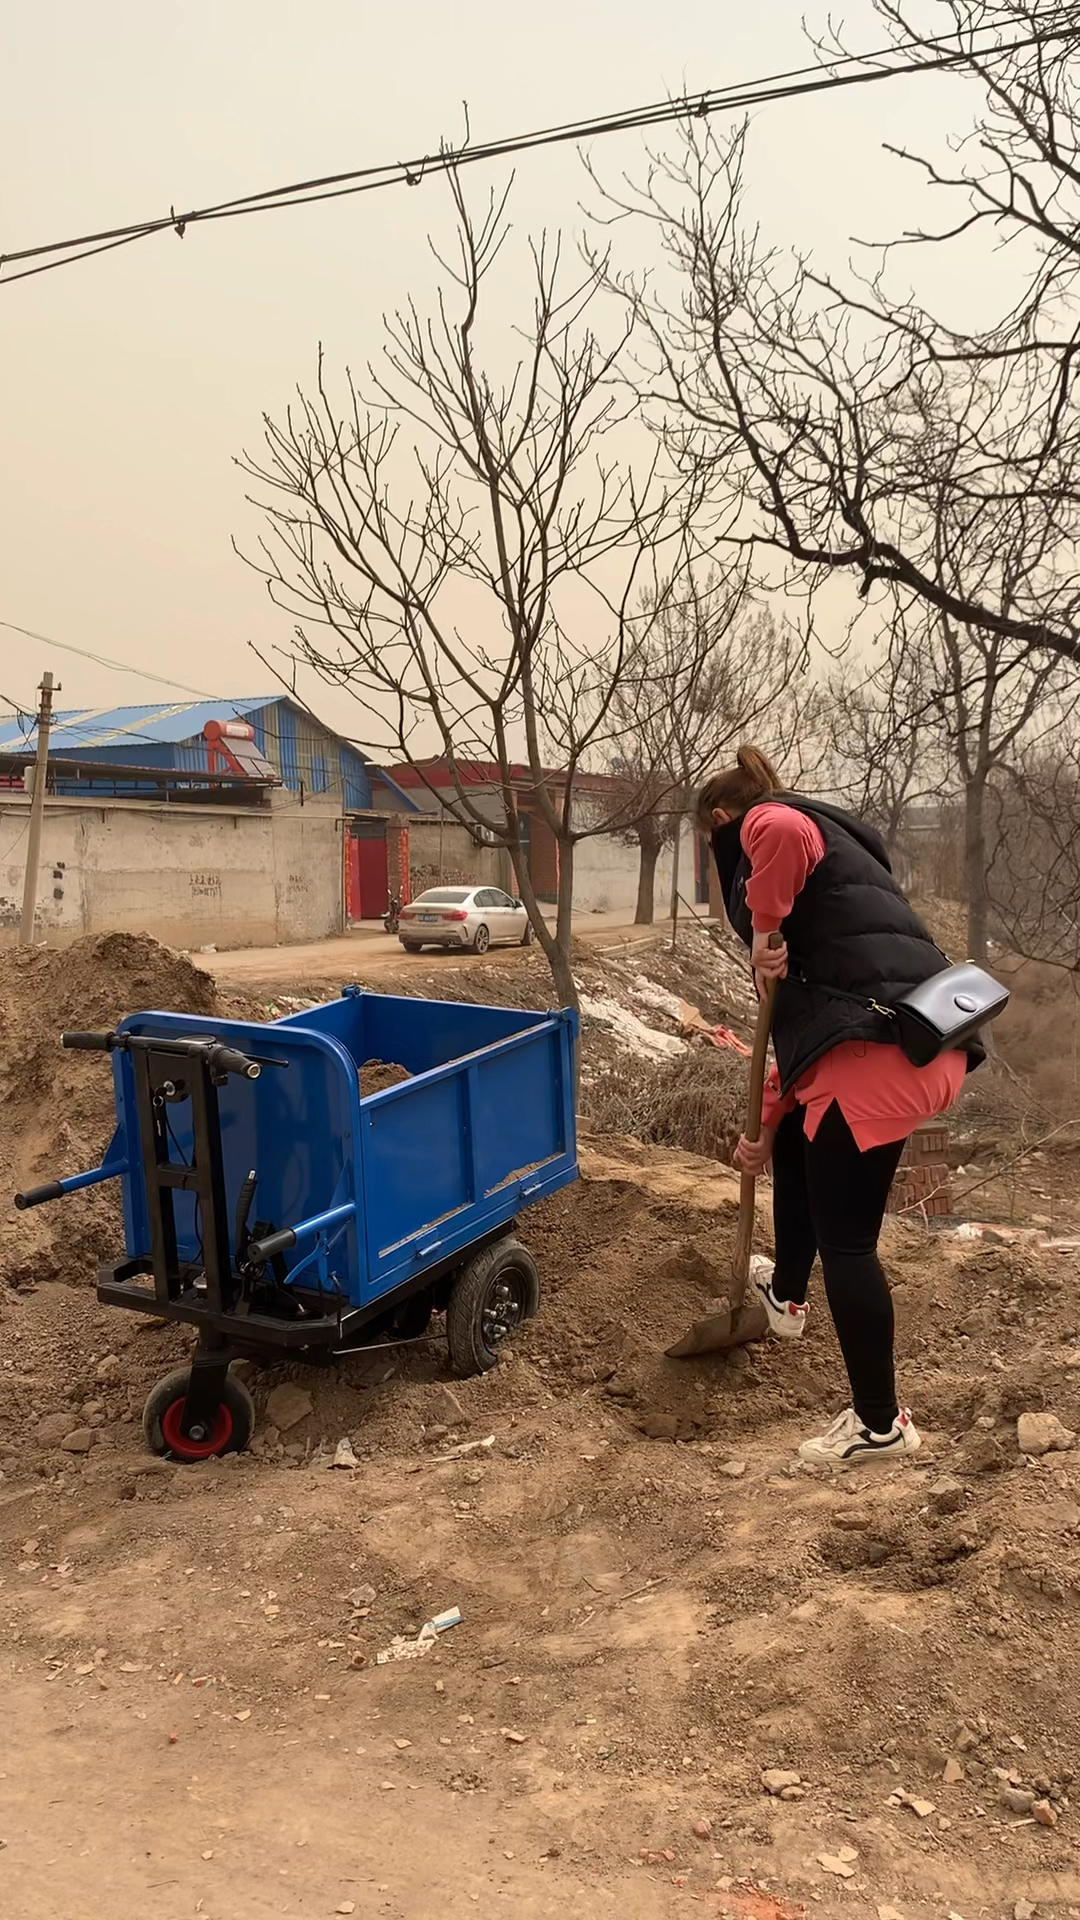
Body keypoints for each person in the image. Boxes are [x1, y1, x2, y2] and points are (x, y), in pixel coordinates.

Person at [698, 746, 977, 1468]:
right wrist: (764, 1127)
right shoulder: (843, 858)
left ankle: (879, 1426)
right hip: (917, 1044)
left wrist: (763, 931)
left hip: (874, 1058)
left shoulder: (770, 823)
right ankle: (786, 1298)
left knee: (847, 1241)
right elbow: (796, 1035)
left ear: (721, 820)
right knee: (794, 1143)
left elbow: (780, 833)